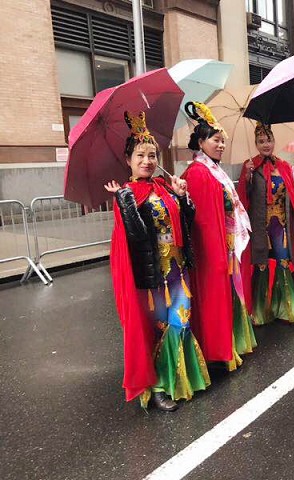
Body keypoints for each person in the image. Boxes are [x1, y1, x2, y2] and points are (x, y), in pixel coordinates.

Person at [105, 111, 210, 411]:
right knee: (162, 327)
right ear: (128, 160)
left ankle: (180, 379)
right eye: (140, 155)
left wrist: (183, 198)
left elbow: (187, 224)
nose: (147, 161)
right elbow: (137, 235)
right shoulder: (127, 194)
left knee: (182, 321)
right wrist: (124, 201)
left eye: (152, 155)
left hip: (178, 270)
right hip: (153, 278)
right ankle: (160, 387)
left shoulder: (164, 188)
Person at [181, 102, 256, 371]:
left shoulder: (213, 170)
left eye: (223, 140)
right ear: (201, 143)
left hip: (225, 244)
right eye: (216, 140)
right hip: (212, 248)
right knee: (215, 298)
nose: (221, 145)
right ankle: (218, 350)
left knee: (230, 295)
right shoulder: (198, 173)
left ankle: (229, 344)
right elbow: (203, 221)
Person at [237, 122, 294, 326]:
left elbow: (293, 199)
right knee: (261, 266)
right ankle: (260, 311)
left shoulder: (283, 166)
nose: (266, 144)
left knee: (283, 262)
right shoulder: (250, 166)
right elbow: (243, 199)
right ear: (256, 143)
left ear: (274, 141)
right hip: (260, 227)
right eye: (261, 141)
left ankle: (286, 309)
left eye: (269, 140)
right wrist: (246, 177)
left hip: (280, 225)